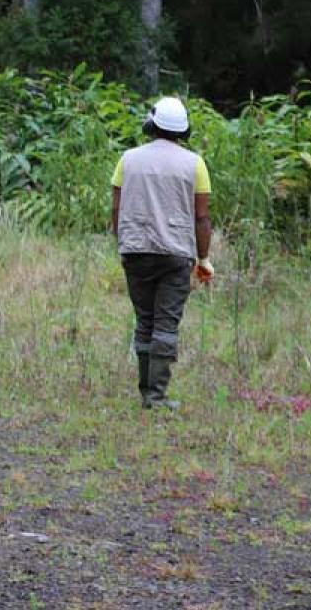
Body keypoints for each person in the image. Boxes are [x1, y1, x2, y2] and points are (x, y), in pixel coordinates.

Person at [110, 96, 213, 410]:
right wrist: (204, 258)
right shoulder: (194, 163)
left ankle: (146, 393)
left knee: (145, 321)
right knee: (166, 324)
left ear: (151, 124)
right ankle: (157, 397)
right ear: (183, 130)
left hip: (135, 250)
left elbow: (116, 207)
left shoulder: (127, 159)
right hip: (176, 254)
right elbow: (201, 217)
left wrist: (123, 243)